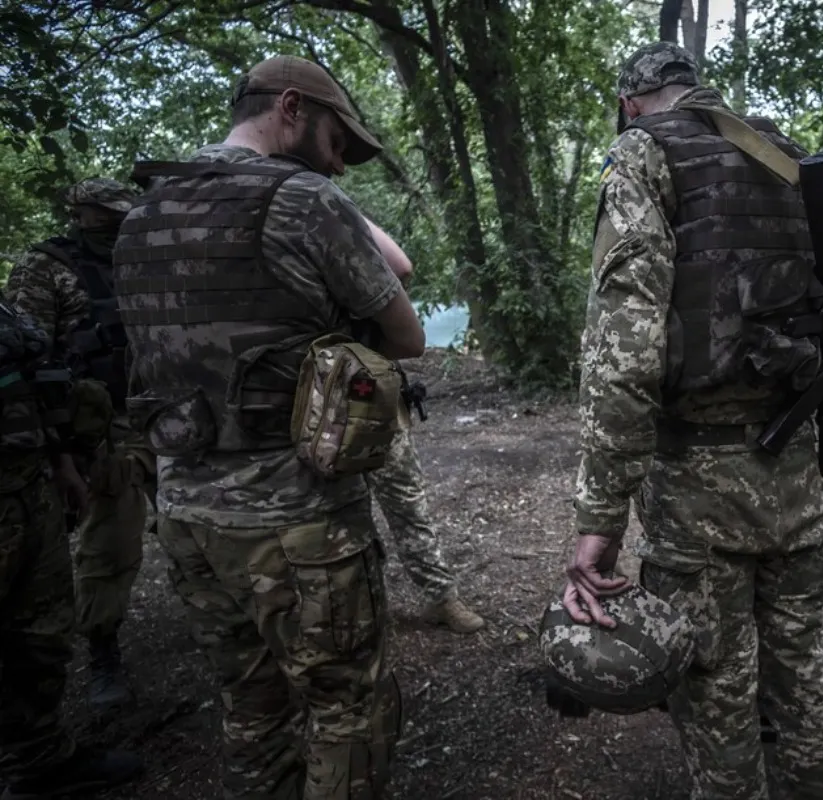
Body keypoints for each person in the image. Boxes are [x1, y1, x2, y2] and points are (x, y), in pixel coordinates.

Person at [111, 54, 424, 799]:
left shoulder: (143, 211)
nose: (341, 161)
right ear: (291, 107)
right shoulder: (301, 202)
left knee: (250, 704)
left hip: (186, 514)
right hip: (298, 518)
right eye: (337, 140)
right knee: (348, 705)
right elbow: (406, 334)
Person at [561, 42, 823, 799]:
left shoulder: (643, 152)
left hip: (697, 485)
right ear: (695, 88)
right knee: (804, 674)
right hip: (793, 464)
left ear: (632, 101)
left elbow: (625, 352)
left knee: (718, 686)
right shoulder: (782, 155)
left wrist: (601, 516)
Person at [5, 178, 151, 715]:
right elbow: (29, 361)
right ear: (81, 213)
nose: (113, 224)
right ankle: (104, 651)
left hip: (166, 412)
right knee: (109, 543)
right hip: (103, 425)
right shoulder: (43, 268)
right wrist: (58, 452)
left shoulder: (141, 257)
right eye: (104, 215)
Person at [0, 288, 143, 798]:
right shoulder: (44, 270)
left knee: (39, 632)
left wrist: (60, 456)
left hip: (27, 475)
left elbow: (33, 366)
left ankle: (38, 760)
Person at [361, 226, 485, 634]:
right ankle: (362, 606)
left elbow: (400, 267)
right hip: (312, 402)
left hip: (369, 393)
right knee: (337, 514)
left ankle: (439, 597)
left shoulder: (323, 211)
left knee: (405, 503)